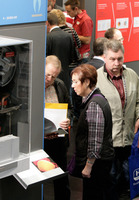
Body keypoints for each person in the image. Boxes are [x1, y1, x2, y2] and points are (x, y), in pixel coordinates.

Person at [96, 39, 139, 198]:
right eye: (112, 59)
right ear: (104, 57)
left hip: (128, 138)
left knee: (127, 181)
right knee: (110, 181)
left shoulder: (132, 75)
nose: (117, 63)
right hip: (108, 142)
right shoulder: (96, 78)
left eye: (120, 59)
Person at [71, 64, 115, 200]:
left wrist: (88, 166)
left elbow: (95, 140)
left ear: (87, 82)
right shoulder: (94, 99)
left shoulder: (94, 104)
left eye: (76, 82)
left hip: (97, 165)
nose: (73, 86)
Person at [44, 55, 72, 200]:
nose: (49, 79)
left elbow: (70, 108)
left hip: (58, 139)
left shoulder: (59, 85)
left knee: (61, 178)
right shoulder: (32, 87)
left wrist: (68, 120)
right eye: (47, 74)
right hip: (39, 141)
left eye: (53, 76)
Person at [46, 13, 74, 90]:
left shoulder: (48, 37)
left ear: (47, 23)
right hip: (65, 77)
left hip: (50, 79)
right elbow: (73, 57)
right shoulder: (68, 36)